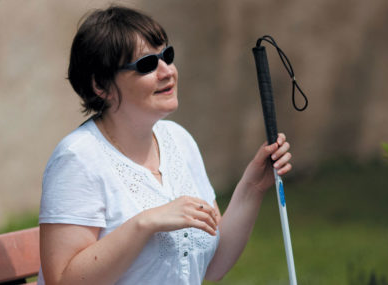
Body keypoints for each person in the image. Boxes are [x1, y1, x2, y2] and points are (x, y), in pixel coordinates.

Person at [39, 6, 293, 285]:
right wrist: (146, 223)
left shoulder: (178, 140)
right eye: (147, 64)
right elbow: (61, 281)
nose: (167, 71)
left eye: (167, 56)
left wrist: (252, 187)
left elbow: (212, 265)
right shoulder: (78, 159)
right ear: (101, 85)